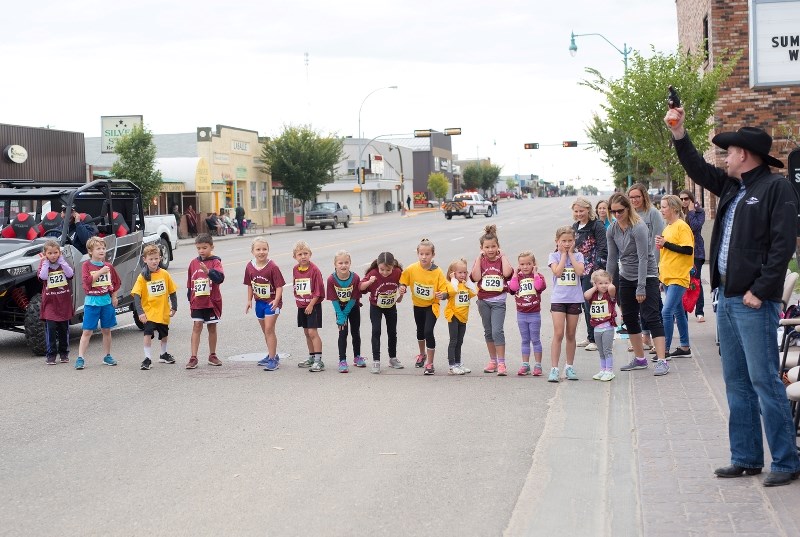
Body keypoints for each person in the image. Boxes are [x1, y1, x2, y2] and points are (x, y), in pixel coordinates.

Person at [665, 106, 800, 486]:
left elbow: (782, 246)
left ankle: (787, 462)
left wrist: (761, 290)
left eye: (728, 153)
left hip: (754, 302)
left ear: (744, 154)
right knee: (737, 383)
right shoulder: (731, 186)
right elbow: (695, 167)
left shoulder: (777, 188)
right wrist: (680, 133)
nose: (723, 158)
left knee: (764, 381)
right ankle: (746, 457)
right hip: (727, 298)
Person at [606, 193, 670, 376]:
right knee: (629, 317)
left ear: (628, 209)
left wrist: (641, 287)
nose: (617, 214)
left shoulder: (639, 227)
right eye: (613, 211)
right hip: (626, 276)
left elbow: (644, 258)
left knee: (651, 316)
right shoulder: (612, 229)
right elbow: (612, 258)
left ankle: (662, 360)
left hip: (647, 275)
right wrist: (608, 282)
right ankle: (640, 359)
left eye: (620, 211)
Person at [399, 238, 450, 375]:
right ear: (418, 253)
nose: (424, 257)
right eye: (421, 254)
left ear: (433, 255)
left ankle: (430, 364)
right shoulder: (412, 269)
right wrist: (402, 287)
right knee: (420, 331)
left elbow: (445, 289)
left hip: (432, 306)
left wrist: (443, 295)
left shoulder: (437, 271)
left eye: (427, 254)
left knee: (428, 331)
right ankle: (422, 354)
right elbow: (403, 280)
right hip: (418, 305)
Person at [471, 225, 514, 376]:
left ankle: (502, 362)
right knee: (488, 332)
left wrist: (503, 256)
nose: (490, 250)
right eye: (487, 247)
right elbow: (476, 277)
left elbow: (508, 273)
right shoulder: (481, 261)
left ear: (498, 247)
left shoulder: (501, 260)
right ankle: (493, 361)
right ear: (482, 248)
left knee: (497, 331)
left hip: (498, 302)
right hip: (483, 301)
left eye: (493, 246)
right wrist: (478, 258)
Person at [655, 195, 694, 360]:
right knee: (678, 311)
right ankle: (685, 347)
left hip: (679, 276)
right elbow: (666, 256)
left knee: (666, 312)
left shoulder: (681, 226)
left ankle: (665, 350)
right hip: (668, 276)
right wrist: (661, 277)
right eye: (661, 207)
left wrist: (666, 244)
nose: (662, 210)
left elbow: (688, 250)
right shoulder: (668, 227)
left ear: (674, 208)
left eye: (664, 207)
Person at [628, 183, 665, 353]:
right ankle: (645, 338)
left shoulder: (653, 214)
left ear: (644, 196)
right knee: (639, 302)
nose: (635, 200)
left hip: (651, 265)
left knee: (653, 304)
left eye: (637, 196)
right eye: (632, 197)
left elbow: (657, 241)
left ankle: (659, 341)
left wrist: (654, 267)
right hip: (634, 266)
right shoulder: (630, 216)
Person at [75, 236, 121, 370]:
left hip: (106, 302)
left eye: (103, 248)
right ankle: (80, 357)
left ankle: (107, 355)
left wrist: (114, 297)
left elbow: (116, 283)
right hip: (92, 303)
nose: (102, 251)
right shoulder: (86, 265)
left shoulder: (109, 266)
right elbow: (87, 283)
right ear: (90, 251)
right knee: (87, 331)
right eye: (98, 249)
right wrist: (100, 272)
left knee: (106, 330)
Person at [547, 226, 585, 382]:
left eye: (570, 241)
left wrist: (571, 255)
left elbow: (580, 271)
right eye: (564, 241)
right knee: (558, 333)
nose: (567, 243)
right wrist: (563, 255)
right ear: (557, 242)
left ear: (574, 241)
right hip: (559, 299)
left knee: (570, 334)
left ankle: (569, 366)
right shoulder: (553, 256)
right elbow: (557, 272)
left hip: (574, 299)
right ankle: (554, 368)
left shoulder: (579, 255)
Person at [132, 244, 178, 371]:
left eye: (156, 258)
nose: (154, 261)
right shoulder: (142, 277)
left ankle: (163, 354)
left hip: (163, 311)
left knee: (164, 333)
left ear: (160, 258)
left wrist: (174, 307)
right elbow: (136, 295)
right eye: (151, 259)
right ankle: (147, 358)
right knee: (148, 334)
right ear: (144, 259)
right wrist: (140, 313)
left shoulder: (164, 274)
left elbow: (172, 291)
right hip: (149, 312)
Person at [360, 251, 406, 373]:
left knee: (392, 331)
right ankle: (376, 361)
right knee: (376, 331)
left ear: (393, 267)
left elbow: (400, 297)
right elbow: (360, 287)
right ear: (378, 266)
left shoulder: (397, 272)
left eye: (388, 270)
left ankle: (393, 358)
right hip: (376, 306)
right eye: (382, 269)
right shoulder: (373, 273)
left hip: (391, 305)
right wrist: (370, 281)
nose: (384, 273)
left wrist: (401, 292)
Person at [244, 237, 285, 371]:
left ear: (268, 250)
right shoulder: (250, 266)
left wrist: (277, 300)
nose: (261, 252)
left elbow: (279, 286)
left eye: (264, 249)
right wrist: (249, 300)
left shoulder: (273, 267)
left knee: (269, 329)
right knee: (265, 331)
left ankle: (273, 360)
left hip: (272, 302)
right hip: (259, 302)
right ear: (252, 251)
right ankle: (272, 354)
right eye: (258, 249)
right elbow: (250, 284)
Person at [572, 197, 608, 352]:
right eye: (576, 211)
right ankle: (589, 336)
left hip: (592, 270)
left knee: (592, 304)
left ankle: (595, 338)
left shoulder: (597, 225)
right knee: (583, 303)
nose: (579, 214)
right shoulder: (575, 226)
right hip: (578, 270)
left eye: (582, 210)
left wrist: (597, 270)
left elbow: (602, 247)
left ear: (588, 209)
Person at [186, 233, 225, 369]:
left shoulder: (215, 262)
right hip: (197, 301)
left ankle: (212, 355)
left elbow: (219, 278)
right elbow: (190, 284)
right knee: (197, 326)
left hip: (211, 301)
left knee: (212, 327)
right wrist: (190, 299)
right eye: (199, 248)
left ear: (211, 247)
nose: (201, 251)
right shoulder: (193, 263)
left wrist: (208, 271)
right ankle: (193, 357)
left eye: (204, 247)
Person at [508, 251, 547, 376]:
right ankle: (525, 364)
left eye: (528, 264)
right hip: (521, 314)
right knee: (525, 340)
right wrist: (514, 273)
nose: (525, 267)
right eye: (522, 264)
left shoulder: (539, 276)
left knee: (535, 339)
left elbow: (539, 286)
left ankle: (538, 365)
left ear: (534, 264)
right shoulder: (517, 277)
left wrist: (535, 273)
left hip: (534, 313)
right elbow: (513, 289)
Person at [38, 240, 74, 365]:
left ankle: (64, 353)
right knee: (51, 328)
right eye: (50, 253)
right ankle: (51, 354)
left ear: (59, 253)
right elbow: (42, 277)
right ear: (45, 254)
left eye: (55, 253)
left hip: (63, 301)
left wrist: (62, 262)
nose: (53, 255)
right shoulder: (43, 264)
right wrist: (45, 263)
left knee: (64, 329)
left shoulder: (63, 263)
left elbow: (70, 274)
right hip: (50, 302)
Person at [326, 250, 363, 373]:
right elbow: (333, 299)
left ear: (350, 263)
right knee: (343, 333)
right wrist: (340, 316)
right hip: (340, 309)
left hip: (353, 308)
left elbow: (354, 297)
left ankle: (357, 356)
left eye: (346, 262)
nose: (343, 265)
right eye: (340, 263)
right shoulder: (331, 279)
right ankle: (342, 360)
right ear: (335, 264)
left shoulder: (355, 277)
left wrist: (346, 313)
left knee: (355, 331)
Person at [293, 241, 326, 372]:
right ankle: (311, 357)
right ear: (295, 256)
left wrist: (311, 304)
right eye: (300, 254)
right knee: (306, 332)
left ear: (310, 254)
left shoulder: (315, 270)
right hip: (302, 305)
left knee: (313, 332)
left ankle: (319, 360)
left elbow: (318, 290)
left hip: (313, 305)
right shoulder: (295, 269)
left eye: (305, 253)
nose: (303, 256)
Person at [444, 258, 477, 375]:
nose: (463, 275)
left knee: (460, 341)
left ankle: (458, 363)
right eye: (460, 272)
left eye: (464, 272)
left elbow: (474, 292)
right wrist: (453, 279)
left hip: (463, 317)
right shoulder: (451, 284)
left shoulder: (465, 285)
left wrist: (467, 280)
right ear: (453, 273)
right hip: (453, 316)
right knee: (453, 341)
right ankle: (452, 365)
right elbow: (452, 292)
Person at [584, 269, 617, 381]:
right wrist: (594, 287)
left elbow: (612, 288)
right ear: (595, 284)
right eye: (600, 283)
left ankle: (609, 371)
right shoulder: (593, 296)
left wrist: (610, 282)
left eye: (606, 283)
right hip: (597, 328)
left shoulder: (609, 295)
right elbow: (586, 295)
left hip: (607, 327)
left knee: (607, 350)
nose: (603, 286)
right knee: (601, 351)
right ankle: (603, 369)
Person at [680, 189, 706, 322]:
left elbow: (695, 227)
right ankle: (682, 311)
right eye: (682, 199)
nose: (684, 201)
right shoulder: (678, 212)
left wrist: (691, 211)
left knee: (696, 281)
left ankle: (699, 311)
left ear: (691, 199)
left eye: (686, 199)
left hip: (696, 251)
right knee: (682, 281)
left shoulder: (699, 212)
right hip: (682, 252)